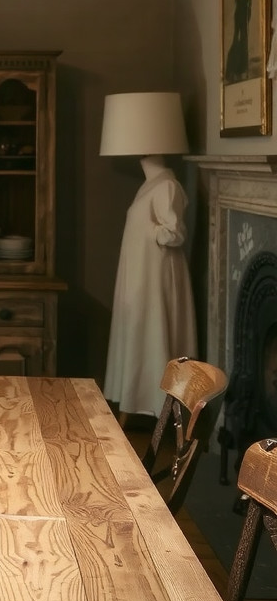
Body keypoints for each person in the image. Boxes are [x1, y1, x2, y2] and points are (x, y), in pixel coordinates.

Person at [103, 154, 198, 417]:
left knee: (156, 329)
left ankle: (160, 406)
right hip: (141, 272)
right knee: (140, 329)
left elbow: (174, 233)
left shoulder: (167, 185)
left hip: (155, 273)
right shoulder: (151, 184)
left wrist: (152, 231)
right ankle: (136, 400)